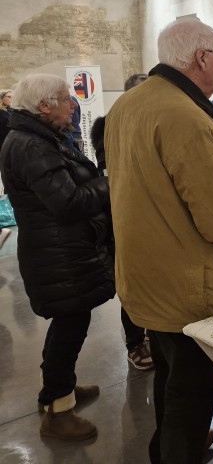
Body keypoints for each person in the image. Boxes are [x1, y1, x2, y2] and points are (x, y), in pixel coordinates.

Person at [105, 19, 213, 463]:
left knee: (169, 373)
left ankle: (165, 448)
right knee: (193, 388)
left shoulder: (128, 104)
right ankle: (178, 452)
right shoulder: (187, 117)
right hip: (184, 280)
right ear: (201, 59)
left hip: (143, 270)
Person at [0, 73, 115, 440]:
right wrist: (112, 181)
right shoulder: (32, 145)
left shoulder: (39, 138)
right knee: (70, 325)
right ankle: (58, 413)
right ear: (44, 106)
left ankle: (56, 390)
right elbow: (67, 202)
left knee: (70, 323)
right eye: (66, 99)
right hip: (58, 254)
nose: (72, 105)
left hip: (60, 250)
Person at [89, 73, 153, 372]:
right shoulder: (109, 125)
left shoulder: (158, 121)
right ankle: (135, 342)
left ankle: (157, 332)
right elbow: (109, 171)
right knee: (132, 282)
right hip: (124, 215)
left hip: (155, 215)